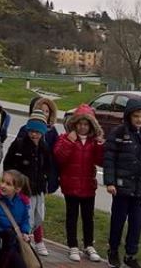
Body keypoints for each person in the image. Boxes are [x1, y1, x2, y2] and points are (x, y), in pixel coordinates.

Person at [103, 98, 141, 268]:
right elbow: (109, 159)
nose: (139, 119)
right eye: (136, 116)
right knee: (118, 221)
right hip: (121, 188)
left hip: (140, 189)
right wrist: (110, 182)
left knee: (136, 223)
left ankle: (131, 255)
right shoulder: (118, 133)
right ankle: (113, 251)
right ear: (129, 116)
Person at [54, 104, 105, 263]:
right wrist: (69, 141)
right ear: (74, 124)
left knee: (88, 217)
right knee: (72, 216)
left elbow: (101, 161)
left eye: (86, 124)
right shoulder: (65, 138)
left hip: (88, 186)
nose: (82, 127)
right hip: (70, 185)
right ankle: (73, 245)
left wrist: (100, 146)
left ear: (91, 126)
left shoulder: (93, 142)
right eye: (80, 124)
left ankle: (89, 245)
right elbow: (59, 157)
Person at [3, 110, 54, 257]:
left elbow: (48, 166)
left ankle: (29, 237)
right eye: (31, 131)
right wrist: (14, 183)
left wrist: (46, 181)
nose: (34, 135)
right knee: (27, 217)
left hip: (38, 189)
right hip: (24, 190)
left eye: (37, 132)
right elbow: (8, 164)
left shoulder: (44, 147)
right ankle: (23, 242)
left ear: (42, 132)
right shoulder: (19, 144)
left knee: (39, 216)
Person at [0, 170, 32, 268]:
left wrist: (25, 232)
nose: (3, 185)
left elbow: (25, 220)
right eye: (2, 181)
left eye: (8, 184)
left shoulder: (22, 202)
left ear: (17, 189)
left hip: (12, 240)